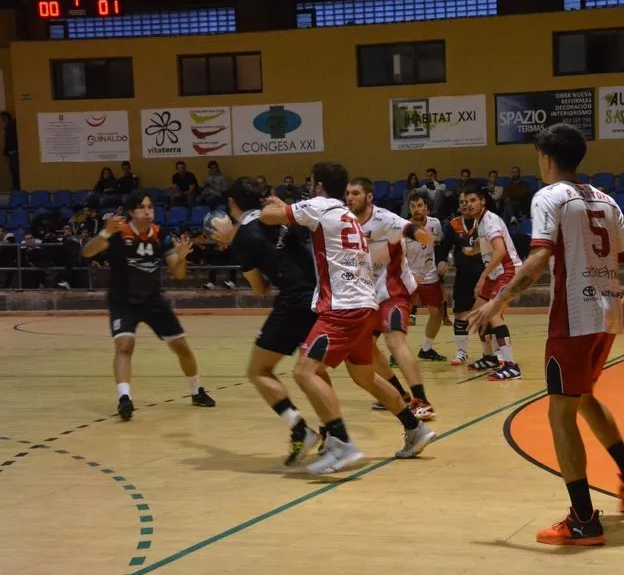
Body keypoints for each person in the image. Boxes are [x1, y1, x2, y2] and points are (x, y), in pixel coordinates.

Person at [468, 123, 624, 546]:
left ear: (547, 158)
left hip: (573, 318)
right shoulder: (605, 198)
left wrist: (497, 302)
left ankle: (584, 519)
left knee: (560, 414)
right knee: (583, 396)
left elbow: (537, 260)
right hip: (607, 315)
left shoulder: (549, 196)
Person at [258, 162, 435, 474]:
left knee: (304, 372)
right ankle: (414, 427)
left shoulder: (319, 206)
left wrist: (276, 207)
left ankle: (341, 444)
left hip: (342, 307)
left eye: (311, 182)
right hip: (366, 303)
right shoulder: (346, 214)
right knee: (364, 376)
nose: (309, 187)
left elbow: (266, 217)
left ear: (319, 185)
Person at [208, 177, 322, 466]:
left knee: (258, 371)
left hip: (294, 301)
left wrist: (234, 244)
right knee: (315, 371)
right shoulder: (279, 214)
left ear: (232, 204)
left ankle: (300, 428)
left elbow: (260, 289)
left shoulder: (243, 237)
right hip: (320, 295)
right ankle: (335, 431)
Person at [81, 189, 216, 420]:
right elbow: (87, 252)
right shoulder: (118, 233)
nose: (148, 212)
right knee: (125, 346)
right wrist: (105, 232)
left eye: (150, 207)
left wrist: (182, 257)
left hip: (153, 301)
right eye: (142, 207)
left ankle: (196, 392)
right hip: (123, 301)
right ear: (131, 212)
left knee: (182, 347)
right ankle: (124, 399)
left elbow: (178, 274)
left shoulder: (160, 234)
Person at [345, 177, 437, 421]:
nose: (350, 197)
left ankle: (422, 400)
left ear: (369, 197)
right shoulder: (346, 221)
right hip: (367, 295)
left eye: (356, 193)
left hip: (394, 290)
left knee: (394, 340)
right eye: (348, 193)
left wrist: (421, 235)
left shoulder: (384, 218)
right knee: (365, 346)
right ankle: (399, 395)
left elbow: (408, 228)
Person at [464, 185, 522, 381]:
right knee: (477, 313)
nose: (469, 204)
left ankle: (511, 366)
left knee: (493, 312)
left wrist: (482, 277)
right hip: (495, 274)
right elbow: (486, 247)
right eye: (466, 201)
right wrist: (471, 250)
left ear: (482, 201)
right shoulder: (479, 222)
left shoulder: (490, 221)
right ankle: (490, 358)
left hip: (509, 271)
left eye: (473, 200)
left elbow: (500, 252)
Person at [440, 189, 488, 366]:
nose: (465, 205)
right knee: (460, 314)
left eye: (468, 201)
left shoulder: (485, 222)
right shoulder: (453, 224)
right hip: (463, 276)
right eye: (461, 202)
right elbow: (444, 246)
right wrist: (442, 260)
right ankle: (462, 352)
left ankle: (491, 352)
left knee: (486, 314)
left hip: (483, 275)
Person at [405, 192, 448, 361]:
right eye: (413, 206)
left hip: (430, 275)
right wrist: (408, 275)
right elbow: (396, 257)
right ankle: (397, 353)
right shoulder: (403, 228)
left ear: (427, 208)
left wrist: (442, 260)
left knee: (436, 313)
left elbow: (440, 245)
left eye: (419, 205)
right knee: (401, 315)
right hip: (408, 276)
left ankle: (426, 349)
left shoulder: (435, 223)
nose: (416, 209)